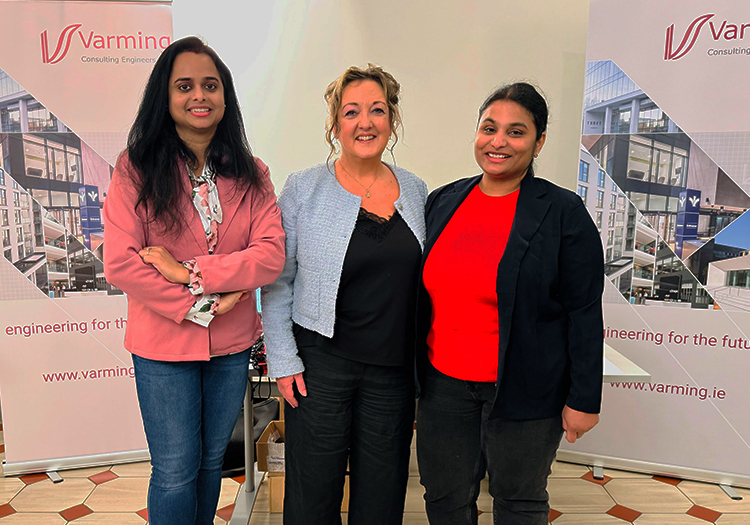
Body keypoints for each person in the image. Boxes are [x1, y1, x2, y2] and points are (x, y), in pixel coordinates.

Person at [103, 36, 284, 525]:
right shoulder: (135, 168)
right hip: (163, 345)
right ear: (165, 96)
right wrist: (201, 304)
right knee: (175, 471)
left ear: (226, 98)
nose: (199, 95)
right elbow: (121, 262)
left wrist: (189, 273)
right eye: (184, 86)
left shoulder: (253, 173)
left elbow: (270, 257)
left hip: (231, 345)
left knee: (211, 465)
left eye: (211, 85)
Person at [416, 82, 604, 525]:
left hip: (526, 387)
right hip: (443, 385)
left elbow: (584, 312)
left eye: (516, 132)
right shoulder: (443, 201)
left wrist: (584, 400)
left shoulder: (562, 212)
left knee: (518, 501)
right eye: (489, 128)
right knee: (444, 498)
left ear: (538, 142)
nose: (498, 141)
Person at [261, 64, 427, 525]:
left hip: (392, 374)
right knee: (313, 495)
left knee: (383, 494)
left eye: (377, 109)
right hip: (320, 368)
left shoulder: (415, 190)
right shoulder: (303, 188)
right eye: (351, 112)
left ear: (391, 119)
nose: (365, 122)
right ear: (336, 125)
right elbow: (277, 281)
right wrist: (284, 360)